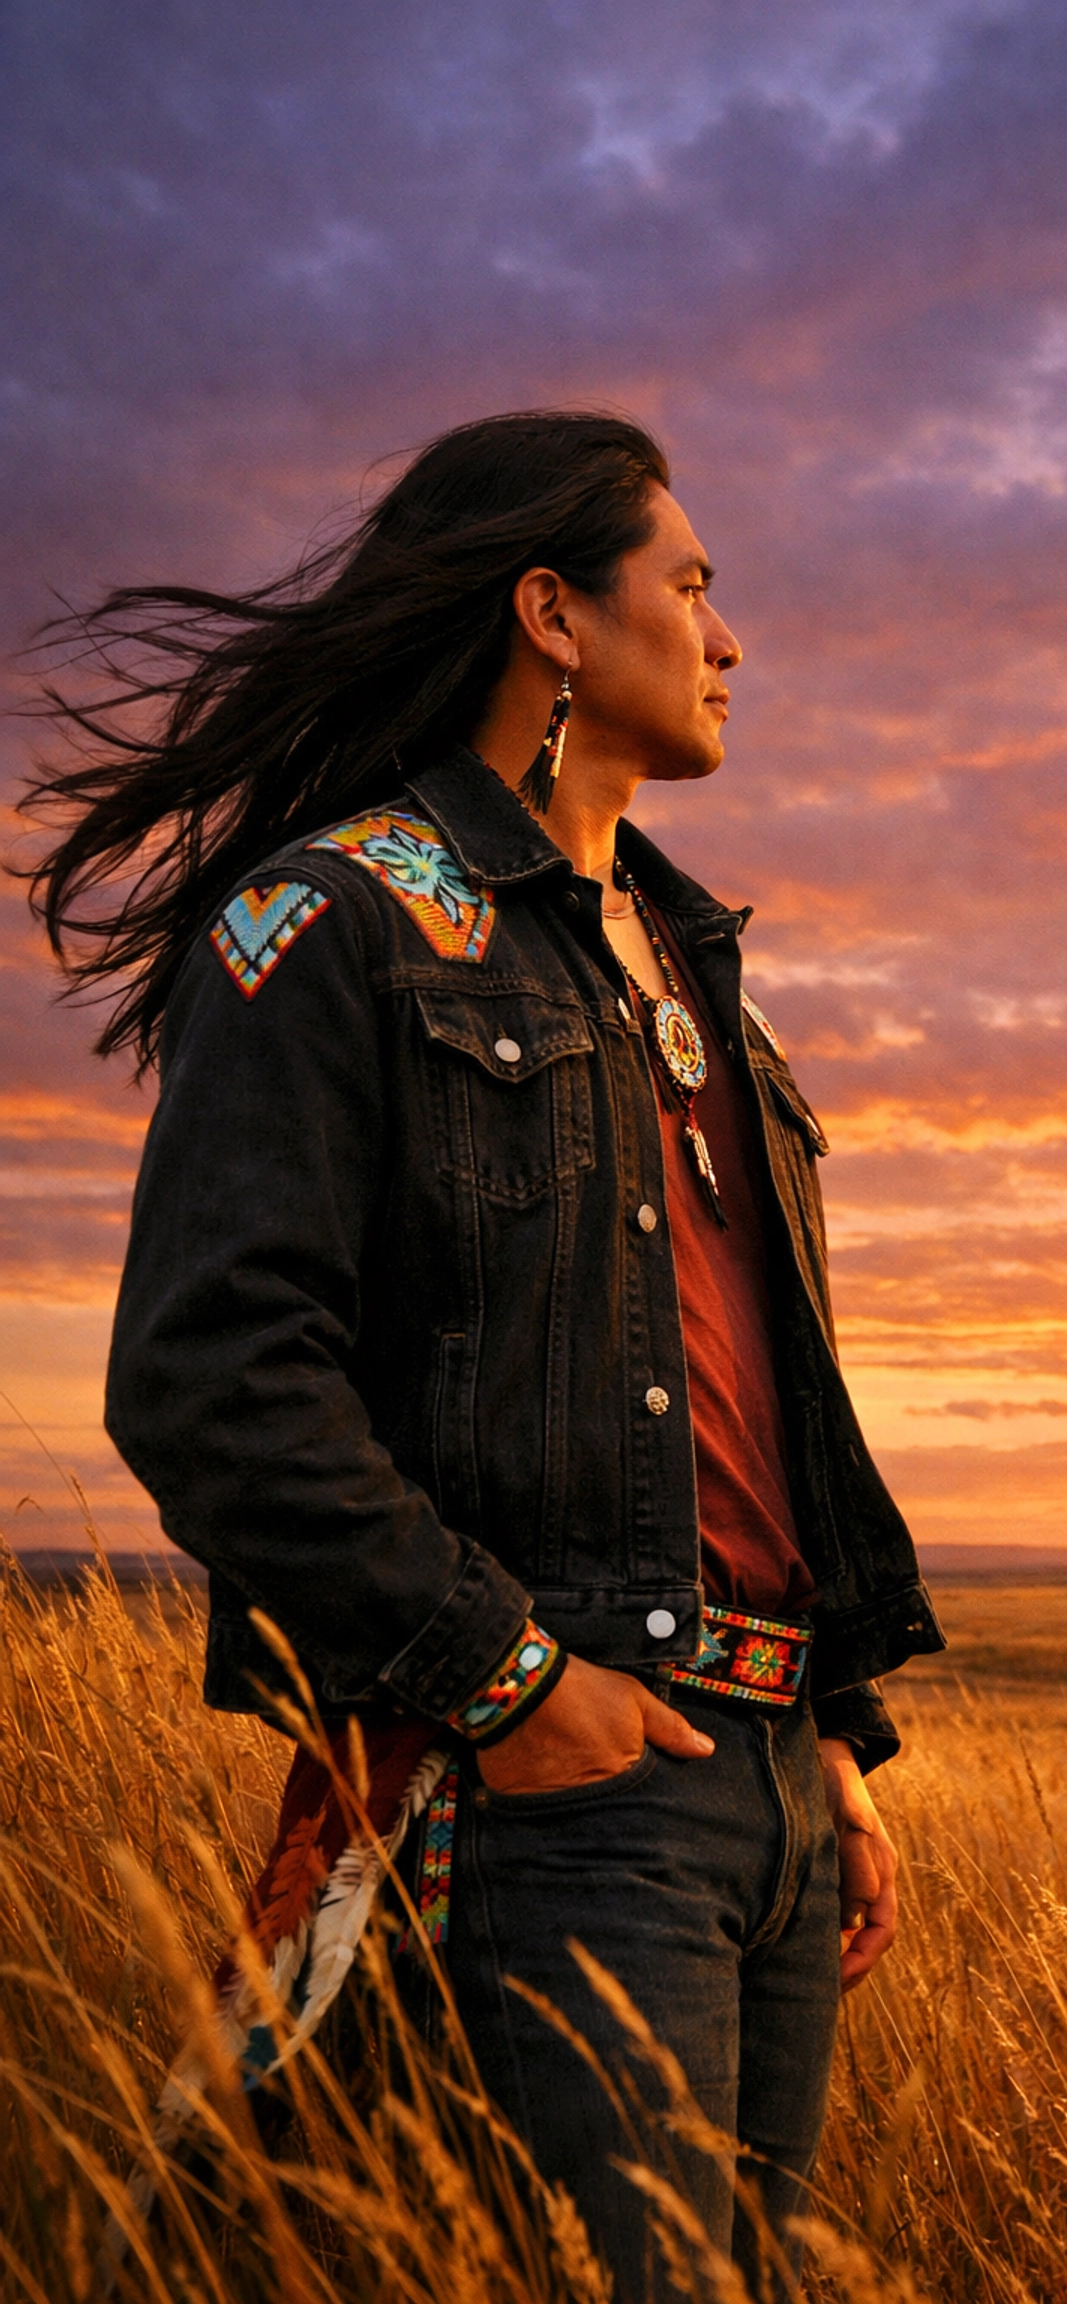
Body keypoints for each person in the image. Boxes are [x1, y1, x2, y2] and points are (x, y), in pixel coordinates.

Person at [23, 410, 945, 2300]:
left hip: (762, 1777)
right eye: (691, 584)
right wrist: (514, 1684)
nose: (729, 636)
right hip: (568, 1789)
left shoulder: (698, 970)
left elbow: (751, 1386)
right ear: (556, 615)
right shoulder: (337, 922)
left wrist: (829, 1738)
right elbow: (210, 1380)